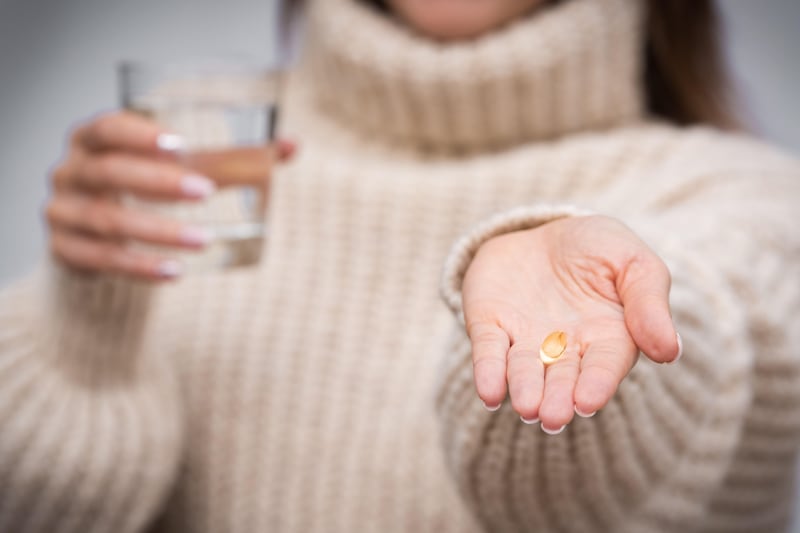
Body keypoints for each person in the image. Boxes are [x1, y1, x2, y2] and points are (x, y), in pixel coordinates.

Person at [0, 0, 798, 531]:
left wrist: (617, 330)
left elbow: (715, 350)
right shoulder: (209, 144)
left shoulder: (737, 195)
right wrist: (84, 333)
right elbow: (48, 503)